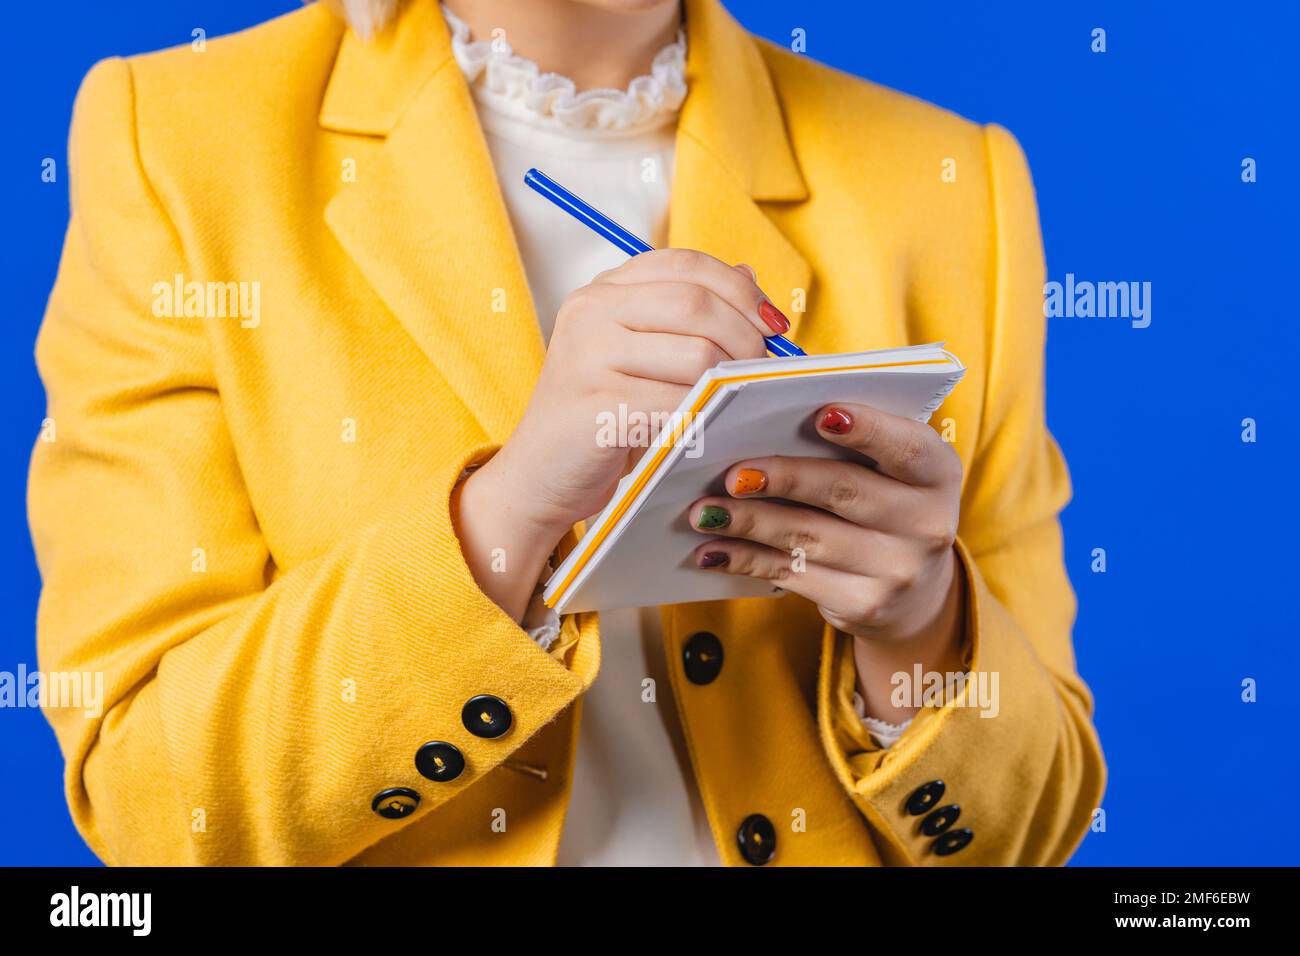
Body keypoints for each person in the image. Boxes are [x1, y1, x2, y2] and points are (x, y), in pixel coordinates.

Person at [30, 0, 1105, 866]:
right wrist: (510, 513)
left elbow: (1032, 827)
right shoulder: (177, 140)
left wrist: (917, 628)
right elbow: (152, 806)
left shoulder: (948, 180)